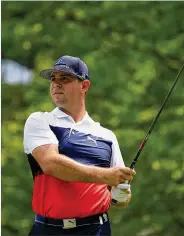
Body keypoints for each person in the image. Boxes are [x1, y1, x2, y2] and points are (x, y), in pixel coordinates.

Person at [23, 55, 136, 236]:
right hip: (49, 230)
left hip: (97, 229)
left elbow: (120, 194)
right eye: (53, 79)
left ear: (84, 86)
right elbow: (51, 164)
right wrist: (108, 176)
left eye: (65, 79)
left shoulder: (106, 136)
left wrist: (120, 196)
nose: (56, 83)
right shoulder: (40, 120)